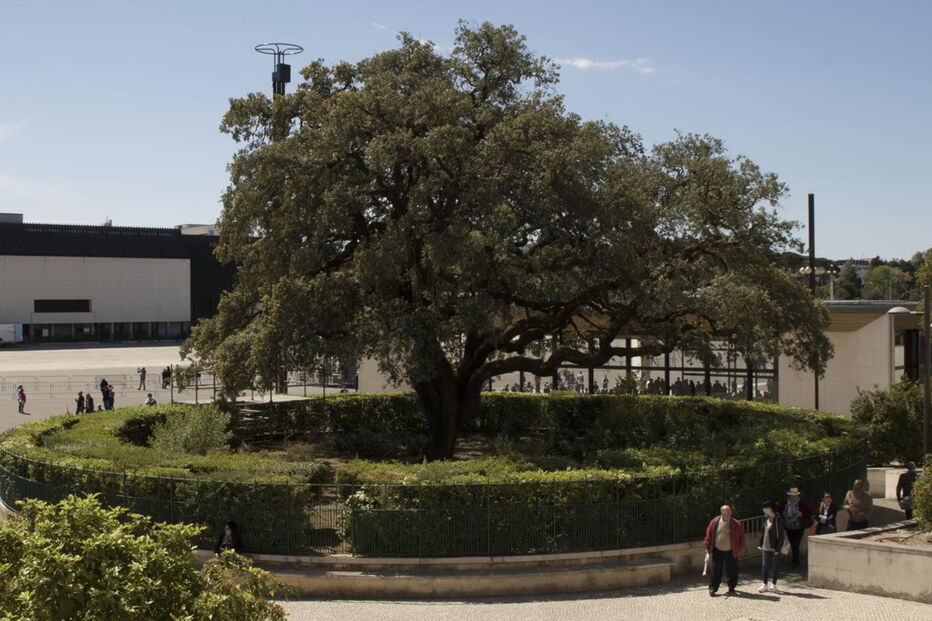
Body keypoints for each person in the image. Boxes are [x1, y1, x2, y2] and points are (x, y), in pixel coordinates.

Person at [703, 505, 746, 597]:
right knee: (716, 570)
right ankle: (713, 588)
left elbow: (742, 538)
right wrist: (707, 548)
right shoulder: (714, 522)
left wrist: (739, 549)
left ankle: (732, 587)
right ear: (722, 512)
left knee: (732, 570)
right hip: (718, 550)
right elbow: (708, 535)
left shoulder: (736, 524)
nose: (729, 514)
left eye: (730, 512)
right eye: (727, 512)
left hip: (731, 550)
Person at [777, 486, 812, 567]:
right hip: (788, 526)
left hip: (798, 526)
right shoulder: (784, 502)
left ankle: (795, 562)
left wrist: (802, 514)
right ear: (789, 495)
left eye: (795, 495)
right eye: (792, 495)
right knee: (792, 543)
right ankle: (794, 560)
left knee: (795, 543)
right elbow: (779, 510)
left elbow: (809, 512)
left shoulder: (802, 503)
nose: (793, 497)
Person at [758, 500, 786, 593]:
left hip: (774, 547)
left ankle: (773, 584)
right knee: (764, 565)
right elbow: (763, 532)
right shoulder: (765, 518)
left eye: (765, 508)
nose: (763, 510)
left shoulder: (778, 520)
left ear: (770, 509)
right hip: (765, 547)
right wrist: (760, 544)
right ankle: (764, 583)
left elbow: (781, 535)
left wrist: (778, 549)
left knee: (775, 566)